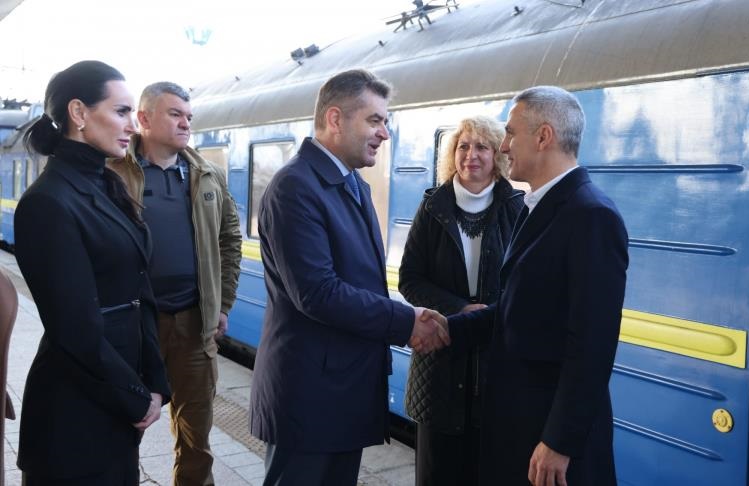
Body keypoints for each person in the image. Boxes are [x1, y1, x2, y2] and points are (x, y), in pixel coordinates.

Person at [419, 85, 629, 486]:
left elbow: (592, 343)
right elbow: (521, 308)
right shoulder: (539, 207)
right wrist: (449, 328)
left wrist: (560, 441)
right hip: (523, 426)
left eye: (511, 134)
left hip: (548, 438)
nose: (505, 146)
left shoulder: (591, 215)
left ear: (544, 136)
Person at [249, 69, 448, 486]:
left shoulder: (351, 184)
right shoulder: (295, 187)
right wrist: (407, 321)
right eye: (374, 120)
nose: (385, 133)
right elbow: (317, 292)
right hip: (310, 397)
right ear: (335, 119)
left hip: (339, 390)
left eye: (385, 121)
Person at [13, 60, 170, 485]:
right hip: (73, 418)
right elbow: (73, 328)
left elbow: (139, 291)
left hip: (112, 401)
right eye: (121, 111)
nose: (132, 126)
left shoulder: (105, 185)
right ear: (79, 113)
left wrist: (156, 381)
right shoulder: (47, 202)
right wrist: (136, 399)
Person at [107, 81, 242, 486]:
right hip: (135, 325)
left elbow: (229, 238)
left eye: (189, 116)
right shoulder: (112, 173)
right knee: (124, 427)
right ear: (144, 119)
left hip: (194, 323)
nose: (186, 123)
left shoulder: (207, 175)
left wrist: (223, 303)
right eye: (175, 114)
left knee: (196, 437)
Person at [399, 115, 524, 486]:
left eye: (482, 146)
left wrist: (488, 316)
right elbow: (410, 279)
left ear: (497, 155)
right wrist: (460, 309)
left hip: (496, 363)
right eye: (463, 146)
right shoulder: (432, 208)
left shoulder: (516, 208)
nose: (471, 155)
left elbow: (524, 284)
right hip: (440, 361)